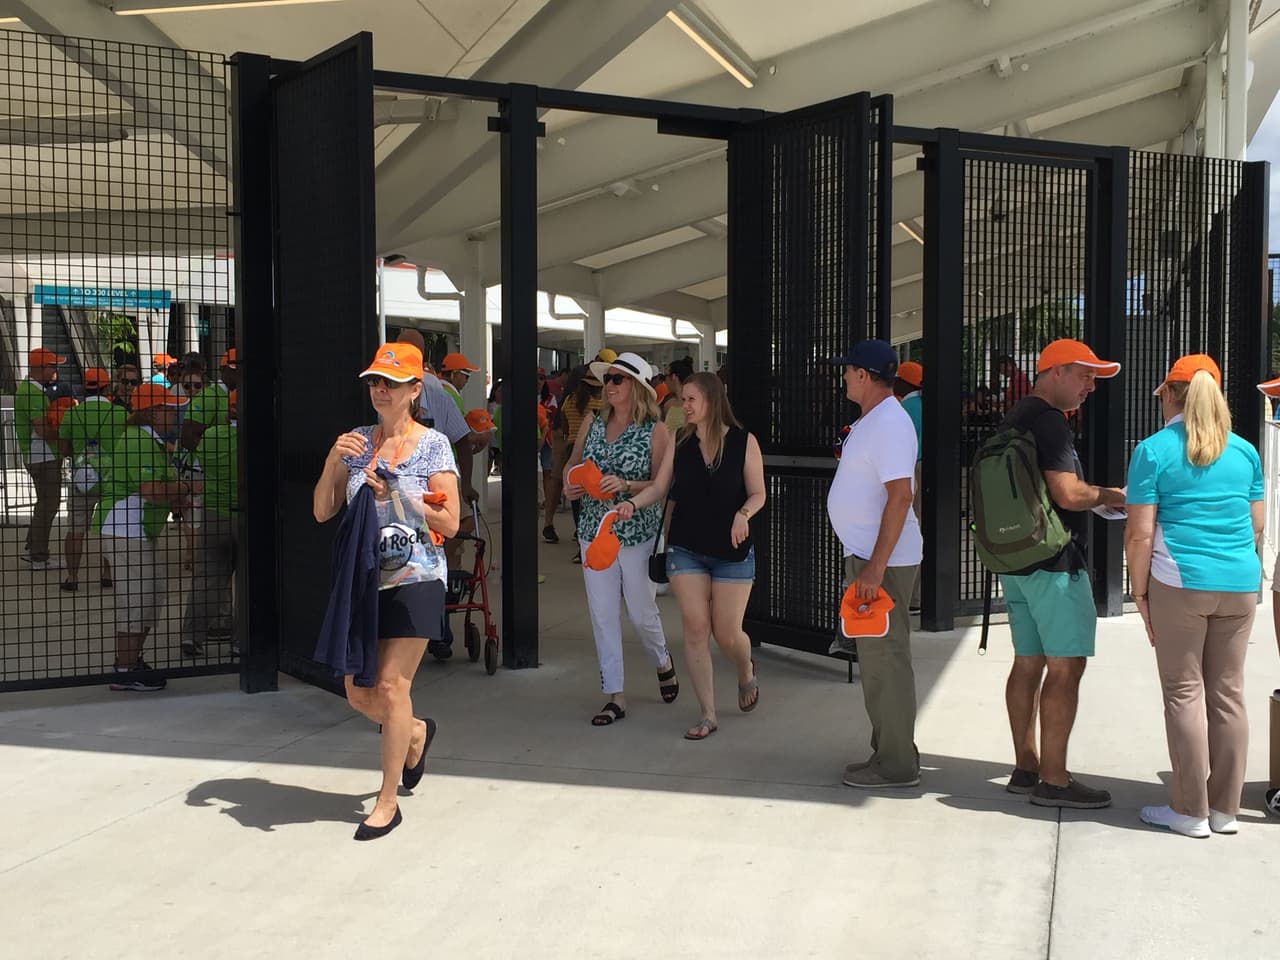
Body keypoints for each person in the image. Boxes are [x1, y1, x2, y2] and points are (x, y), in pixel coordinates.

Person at [312, 342, 460, 840]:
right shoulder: (355, 441)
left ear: (415, 390)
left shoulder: (434, 446)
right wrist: (334, 461)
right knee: (359, 693)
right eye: (375, 381)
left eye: (391, 383)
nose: (380, 390)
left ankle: (387, 800)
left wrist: (397, 493)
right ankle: (415, 733)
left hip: (417, 577)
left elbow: (452, 522)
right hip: (364, 580)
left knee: (394, 687)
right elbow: (321, 510)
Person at [1125, 355, 1263, 838]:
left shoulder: (1153, 450)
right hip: (1240, 583)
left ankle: (1189, 810)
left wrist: (1140, 592)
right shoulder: (1245, 451)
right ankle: (1226, 810)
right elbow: (1256, 523)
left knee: (1184, 693)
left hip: (1180, 582)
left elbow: (1140, 535)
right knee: (1229, 695)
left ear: (1170, 393)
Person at [997, 339, 1126, 808]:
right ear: (1054, 372)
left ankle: (1025, 767)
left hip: (1014, 562)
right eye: (1085, 375)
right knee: (1067, 666)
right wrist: (1113, 496)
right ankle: (1054, 780)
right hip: (1054, 564)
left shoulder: (1013, 417)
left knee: (1027, 663)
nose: (1092, 386)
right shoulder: (1050, 424)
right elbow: (1069, 495)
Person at [826, 340, 923, 788]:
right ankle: (885, 754)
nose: (843, 376)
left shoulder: (889, 423)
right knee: (878, 663)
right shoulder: (876, 420)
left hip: (881, 563)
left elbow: (902, 495)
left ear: (864, 375)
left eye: (848, 370)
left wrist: (874, 568)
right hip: (871, 558)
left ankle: (898, 765)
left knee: (887, 662)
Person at [563, 351, 678, 726]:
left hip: (636, 532)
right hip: (594, 531)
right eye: (608, 379)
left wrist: (626, 485)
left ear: (637, 387)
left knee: (641, 612)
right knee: (602, 614)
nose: (609, 386)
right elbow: (572, 466)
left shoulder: (655, 431)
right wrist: (572, 483)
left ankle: (661, 658)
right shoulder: (592, 422)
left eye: (617, 379)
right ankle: (615, 695)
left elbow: (661, 485)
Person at [658, 372, 765, 740]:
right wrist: (627, 499)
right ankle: (707, 714)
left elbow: (758, 494)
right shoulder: (679, 440)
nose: (683, 405)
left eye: (690, 399)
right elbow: (660, 487)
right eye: (682, 398)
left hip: (731, 552)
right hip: (686, 547)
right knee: (695, 628)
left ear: (711, 401)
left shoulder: (743, 441)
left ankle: (745, 667)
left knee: (727, 634)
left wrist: (743, 515)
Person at [94, 384, 200, 692]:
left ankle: (131, 663)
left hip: (139, 531)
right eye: (171, 408)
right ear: (154, 412)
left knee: (150, 598)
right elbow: (151, 491)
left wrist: (175, 493)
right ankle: (125, 669)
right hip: (126, 530)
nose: (177, 414)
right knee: (135, 602)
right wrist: (184, 489)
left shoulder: (149, 441)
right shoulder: (138, 441)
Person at [180, 389, 240, 657]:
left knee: (207, 579)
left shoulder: (212, 437)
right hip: (248, 515)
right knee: (249, 582)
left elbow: (193, 448)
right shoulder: (261, 437)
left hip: (214, 514)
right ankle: (242, 640)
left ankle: (192, 636)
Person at [58, 366, 127, 591]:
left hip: (81, 480)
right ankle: (107, 574)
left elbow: (63, 448)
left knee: (76, 529)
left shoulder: (72, 414)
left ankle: (73, 577)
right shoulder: (120, 414)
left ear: (84, 388)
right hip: (112, 479)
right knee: (110, 527)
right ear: (107, 387)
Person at [16, 347, 66, 569]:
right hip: (43, 457)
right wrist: (68, 433)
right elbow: (44, 430)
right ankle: (39, 556)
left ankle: (32, 546)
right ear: (40, 368)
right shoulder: (30, 393)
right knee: (50, 504)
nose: (56, 369)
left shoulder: (33, 390)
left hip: (43, 455)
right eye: (53, 365)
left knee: (44, 503)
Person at [895, 361, 924, 611]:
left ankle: (908, 597)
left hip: (912, 469)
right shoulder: (926, 406)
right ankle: (918, 597)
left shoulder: (904, 408)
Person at [663, 356, 694, 434]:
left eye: (665, 376)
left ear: (673, 377)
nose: (664, 381)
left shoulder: (670, 404)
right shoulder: (698, 401)